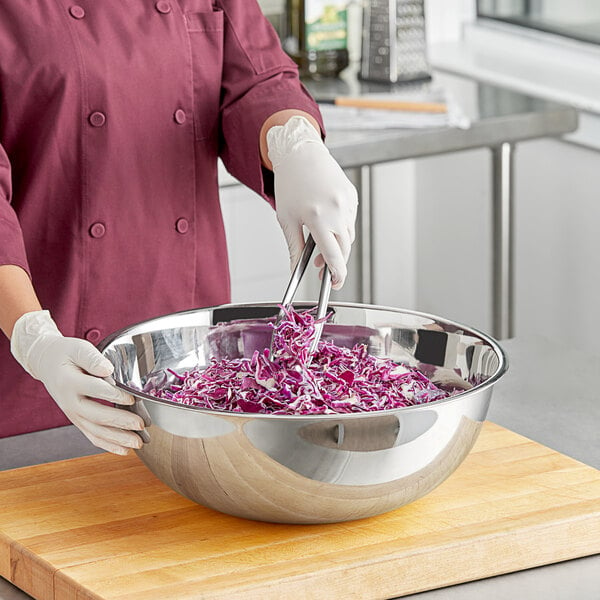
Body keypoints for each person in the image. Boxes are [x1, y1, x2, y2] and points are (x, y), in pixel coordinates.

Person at [0, 1, 357, 455]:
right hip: (34, 364)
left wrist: (293, 142)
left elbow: (255, 79)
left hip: (190, 362)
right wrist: (36, 342)